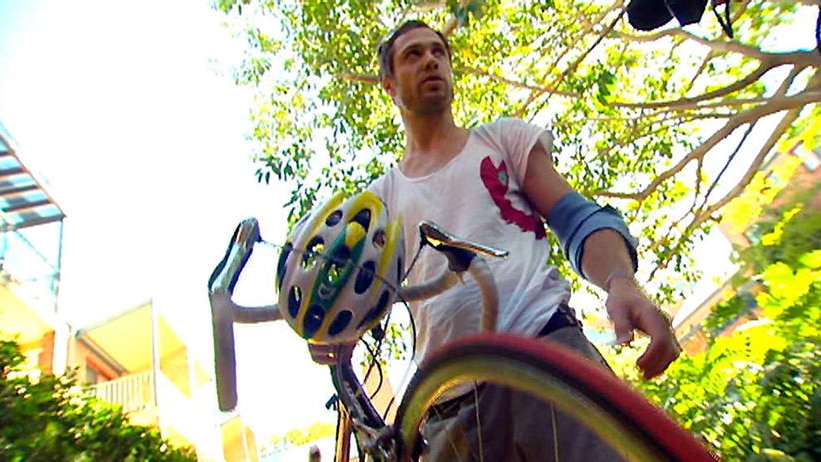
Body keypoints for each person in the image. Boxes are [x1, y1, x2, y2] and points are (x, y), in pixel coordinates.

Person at [362, 19, 682, 461]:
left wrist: (620, 281)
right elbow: (357, 304)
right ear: (389, 86)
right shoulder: (380, 201)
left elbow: (577, 218)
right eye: (413, 55)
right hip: (450, 407)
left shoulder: (501, 141)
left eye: (438, 51)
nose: (430, 60)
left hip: (548, 360)